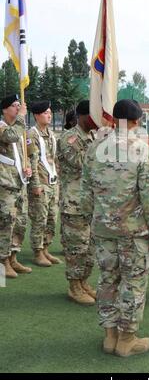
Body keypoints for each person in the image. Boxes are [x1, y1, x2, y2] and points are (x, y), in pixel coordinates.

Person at [80, 99, 149, 357]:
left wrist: (93, 222)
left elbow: (85, 193)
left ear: (113, 120)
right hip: (133, 232)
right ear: (137, 121)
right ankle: (126, 340)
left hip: (103, 230)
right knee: (133, 283)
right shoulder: (142, 150)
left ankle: (110, 337)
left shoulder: (94, 148)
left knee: (108, 280)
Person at [57, 100, 96, 305]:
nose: (96, 119)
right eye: (93, 115)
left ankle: (83, 282)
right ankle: (74, 287)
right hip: (74, 203)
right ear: (82, 116)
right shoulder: (69, 137)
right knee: (76, 248)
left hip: (90, 202)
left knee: (90, 248)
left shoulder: (91, 137)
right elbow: (82, 164)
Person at [0, 94, 32, 277]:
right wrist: (22, 116)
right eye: (14, 106)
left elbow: (20, 155)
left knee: (20, 221)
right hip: (5, 184)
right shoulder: (3, 127)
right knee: (6, 222)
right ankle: (3, 261)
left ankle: (13, 257)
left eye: (19, 106)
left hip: (19, 181)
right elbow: (10, 137)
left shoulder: (19, 130)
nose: (18, 109)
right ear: (5, 109)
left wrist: (26, 168)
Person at [27, 101, 61, 267]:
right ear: (37, 115)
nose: (49, 115)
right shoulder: (32, 135)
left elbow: (54, 159)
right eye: (46, 112)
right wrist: (35, 184)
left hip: (53, 183)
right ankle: (38, 251)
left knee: (52, 218)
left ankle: (46, 248)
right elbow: (32, 162)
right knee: (40, 219)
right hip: (41, 183)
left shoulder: (51, 134)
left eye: (50, 112)